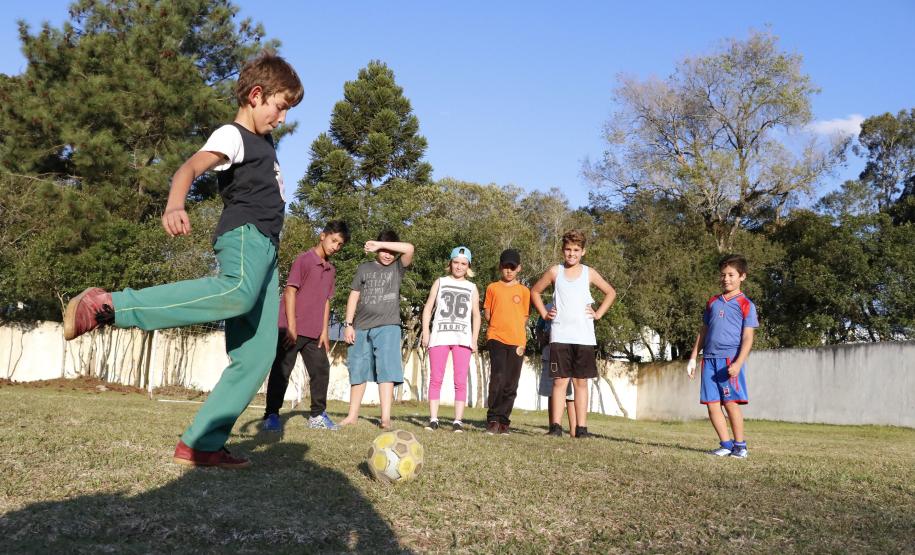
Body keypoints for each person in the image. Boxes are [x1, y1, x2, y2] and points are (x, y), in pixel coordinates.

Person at [62, 51, 304, 468]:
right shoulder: (233, 135)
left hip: (267, 251)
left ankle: (202, 444)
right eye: (280, 107)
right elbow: (188, 168)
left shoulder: (264, 142)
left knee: (257, 356)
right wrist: (175, 204)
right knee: (234, 293)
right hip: (245, 237)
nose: (282, 118)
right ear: (257, 95)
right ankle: (107, 306)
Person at [261, 221, 350, 433]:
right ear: (323, 236)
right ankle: (271, 414)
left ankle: (317, 415)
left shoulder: (331, 269)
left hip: (314, 333)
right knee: (281, 371)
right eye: (333, 240)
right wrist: (291, 326)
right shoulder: (304, 260)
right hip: (291, 328)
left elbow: (326, 301)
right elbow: (290, 291)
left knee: (321, 370)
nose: (335, 246)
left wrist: (325, 331)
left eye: (340, 244)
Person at [531, 229, 616, 438]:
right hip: (559, 335)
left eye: (576, 250)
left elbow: (611, 292)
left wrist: (597, 314)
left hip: (584, 337)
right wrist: (544, 312)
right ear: (562, 250)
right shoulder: (554, 271)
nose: (572, 254)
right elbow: (534, 291)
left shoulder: (589, 273)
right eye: (568, 249)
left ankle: (582, 428)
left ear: (583, 251)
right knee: (560, 382)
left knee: (581, 382)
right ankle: (556, 427)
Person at [339, 231, 415, 429]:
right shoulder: (364, 268)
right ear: (376, 250)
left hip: (388, 327)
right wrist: (348, 325)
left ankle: (385, 419)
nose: (388, 254)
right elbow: (354, 296)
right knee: (358, 370)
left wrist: (381, 244)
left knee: (387, 371)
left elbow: (409, 249)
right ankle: (352, 415)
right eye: (384, 250)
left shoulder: (398, 268)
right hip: (361, 327)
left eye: (391, 251)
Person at [687, 254, 759, 459]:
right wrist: (693, 358)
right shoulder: (712, 302)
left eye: (731, 275)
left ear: (742, 276)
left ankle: (740, 446)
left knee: (730, 403)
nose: (726, 279)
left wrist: (738, 362)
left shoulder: (746, 304)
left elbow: (747, 338)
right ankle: (726, 444)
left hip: (729, 361)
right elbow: (703, 331)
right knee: (711, 404)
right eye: (723, 275)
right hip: (708, 359)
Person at [420, 246, 481, 432]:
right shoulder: (440, 282)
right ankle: (433, 419)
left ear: (468, 266)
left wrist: (474, 339)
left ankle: (457, 421)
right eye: (456, 262)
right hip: (439, 336)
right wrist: (425, 331)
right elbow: (428, 308)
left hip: (462, 339)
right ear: (450, 263)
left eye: (463, 263)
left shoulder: (472, 287)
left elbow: (476, 315)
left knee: (460, 380)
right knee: (436, 378)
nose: (459, 266)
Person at [483, 249, 530, 435]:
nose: (508, 271)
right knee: (498, 378)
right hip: (496, 338)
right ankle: (493, 419)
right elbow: (488, 313)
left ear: (519, 268)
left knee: (511, 382)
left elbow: (524, 317)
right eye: (505, 266)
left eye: (512, 267)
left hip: (517, 340)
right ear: (500, 267)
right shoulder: (492, 288)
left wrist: (514, 330)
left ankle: (504, 421)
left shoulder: (524, 291)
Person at [536, 303, 576, 437]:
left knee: (571, 395)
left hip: (571, 352)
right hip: (550, 353)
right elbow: (539, 328)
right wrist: (543, 340)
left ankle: (575, 430)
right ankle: (553, 427)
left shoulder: (576, 303)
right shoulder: (547, 307)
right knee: (551, 392)